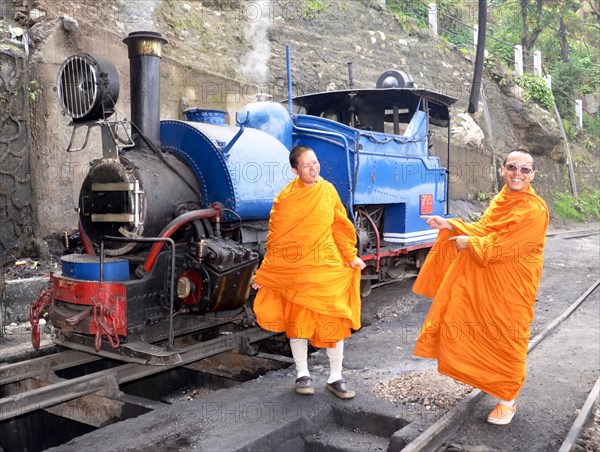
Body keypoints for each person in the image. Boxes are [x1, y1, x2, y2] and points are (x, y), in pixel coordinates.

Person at [413, 149, 549, 425]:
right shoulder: (502, 200)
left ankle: (507, 401)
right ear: (503, 170)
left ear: (533, 174)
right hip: (490, 283)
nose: (518, 174)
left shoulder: (534, 209)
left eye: (525, 170)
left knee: (509, 337)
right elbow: (485, 230)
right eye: (513, 167)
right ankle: (488, 381)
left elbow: (507, 247)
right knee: (481, 332)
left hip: (512, 287)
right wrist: (451, 225)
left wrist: (470, 243)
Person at [252, 145, 366, 399]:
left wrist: (351, 256)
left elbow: (340, 227)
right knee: (298, 325)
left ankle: (335, 376)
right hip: (297, 273)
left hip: (326, 268)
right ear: (295, 170)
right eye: (306, 165)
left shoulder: (328, 191)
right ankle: (302, 373)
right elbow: (276, 241)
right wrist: (266, 274)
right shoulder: (285, 199)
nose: (313, 168)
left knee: (333, 321)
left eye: (315, 162)